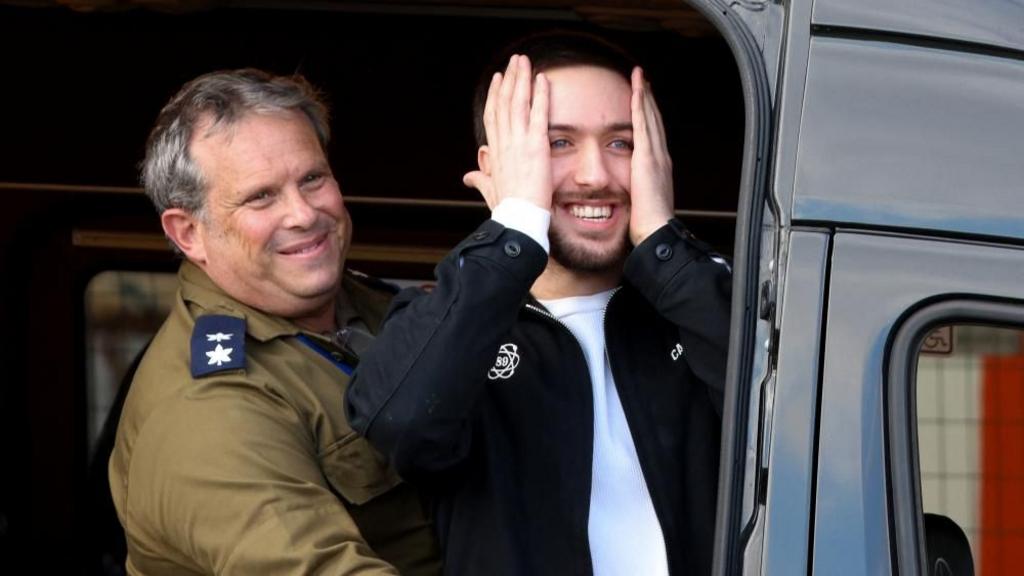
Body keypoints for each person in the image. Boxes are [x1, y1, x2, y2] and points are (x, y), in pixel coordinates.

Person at [346, 31, 731, 575]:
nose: (595, 176)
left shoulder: (703, 302)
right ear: (495, 165)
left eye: (622, 143)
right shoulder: (440, 325)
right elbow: (406, 428)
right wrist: (518, 222)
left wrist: (663, 243)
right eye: (557, 143)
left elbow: (801, 426)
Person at [109, 68, 440, 575]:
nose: (304, 214)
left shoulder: (370, 304)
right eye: (261, 196)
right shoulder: (208, 408)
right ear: (189, 233)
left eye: (312, 178)